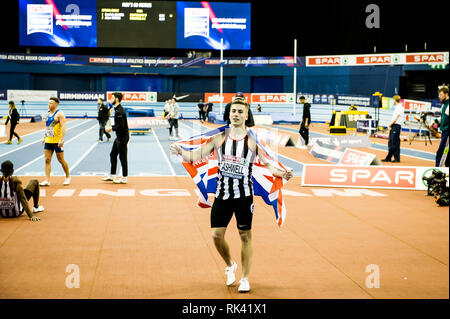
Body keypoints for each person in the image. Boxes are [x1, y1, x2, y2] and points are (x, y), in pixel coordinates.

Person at [170, 99, 293, 293]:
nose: (235, 114)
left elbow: (267, 164)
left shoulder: (251, 140)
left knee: (245, 236)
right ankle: (230, 264)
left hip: (244, 196)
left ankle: (245, 278)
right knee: (216, 235)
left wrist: (281, 173)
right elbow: (196, 156)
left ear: (246, 116)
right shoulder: (220, 138)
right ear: (229, 115)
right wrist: (181, 151)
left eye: (239, 111)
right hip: (222, 195)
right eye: (233, 111)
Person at [40, 97, 71, 186]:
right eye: (49, 103)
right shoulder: (47, 114)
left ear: (56, 104)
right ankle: (47, 180)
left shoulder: (60, 114)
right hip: (48, 141)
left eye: (51, 103)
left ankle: (68, 176)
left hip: (58, 141)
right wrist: (44, 137)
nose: (49, 105)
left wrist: (61, 140)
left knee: (60, 159)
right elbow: (48, 127)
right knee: (47, 160)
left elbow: (64, 127)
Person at [102, 92, 129, 184]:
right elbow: (119, 124)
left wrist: (111, 128)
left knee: (123, 158)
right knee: (113, 155)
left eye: (112, 97)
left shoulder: (120, 111)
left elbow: (121, 126)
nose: (110, 99)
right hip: (119, 137)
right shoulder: (116, 109)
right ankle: (112, 175)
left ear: (117, 99)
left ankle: (124, 177)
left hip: (122, 137)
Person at [382, 95, 404, 163]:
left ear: (395, 100)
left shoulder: (399, 108)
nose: (393, 101)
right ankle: (388, 157)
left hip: (396, 126)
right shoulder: (397, 107)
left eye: (393, 100)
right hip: (394, 126)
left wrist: (389, 125)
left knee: (395, 143)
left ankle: (397, 159)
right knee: (391, 142)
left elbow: (395, 119)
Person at [436, 86, 449, 167]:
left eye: (441, 94)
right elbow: (443, 116)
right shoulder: (444, 105)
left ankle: (438, 170)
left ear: (446, 94)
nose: (439, 96)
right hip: (445, 131)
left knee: (441, 153)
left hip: (447, 132)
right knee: (447, 154)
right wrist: (434, 122)